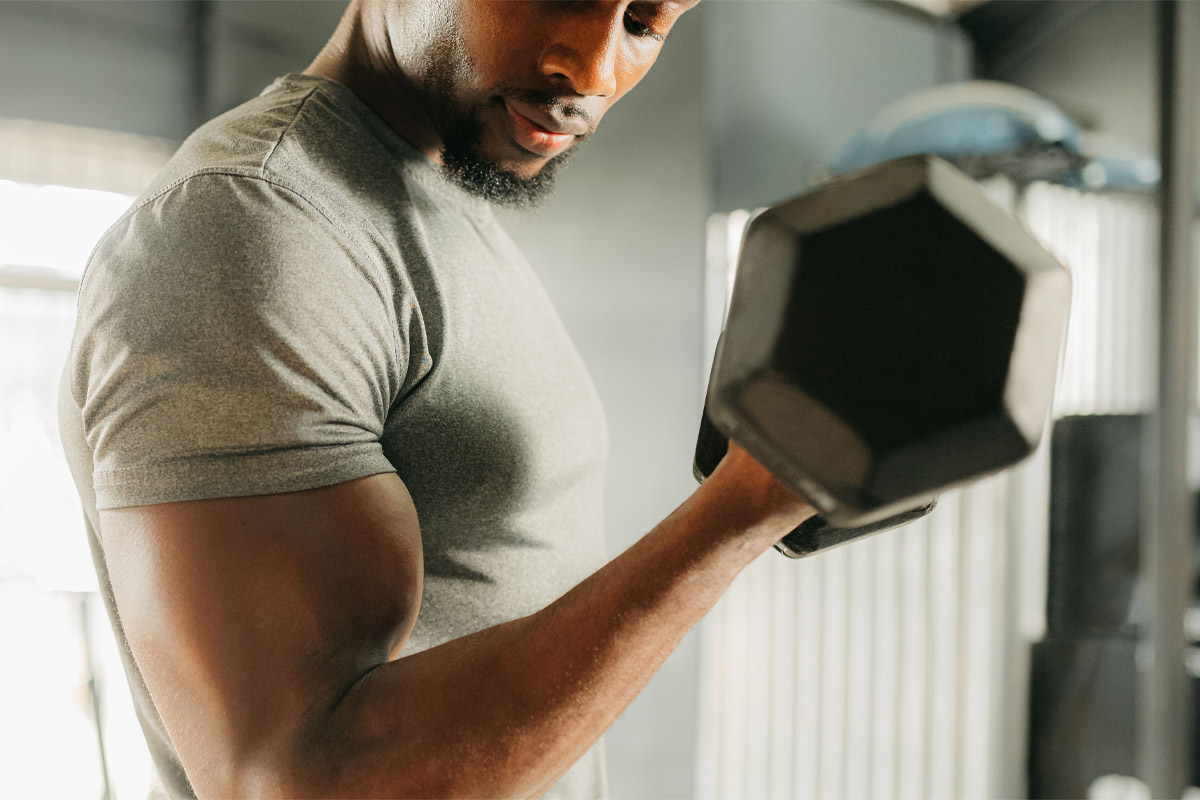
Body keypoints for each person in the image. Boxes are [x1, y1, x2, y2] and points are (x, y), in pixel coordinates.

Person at [59, 1, 815, 797]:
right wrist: (744, 506)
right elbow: (296, 779)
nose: (591, 72)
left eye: (642, 22)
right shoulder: (255, 220)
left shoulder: (426, 197)